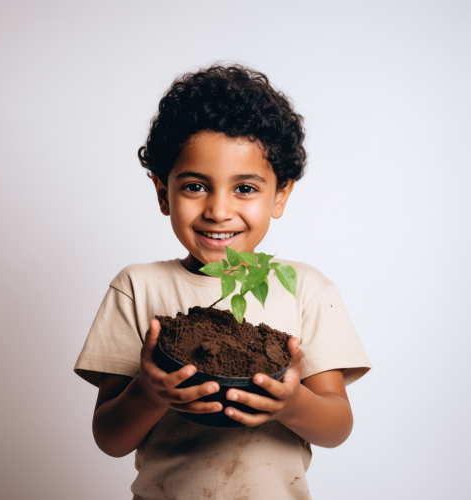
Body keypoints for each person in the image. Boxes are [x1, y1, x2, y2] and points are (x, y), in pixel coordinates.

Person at [74, 63, 371, 500]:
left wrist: (292, 403)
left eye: (245, 189)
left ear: (281, 194)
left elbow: (336, 426)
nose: (218, 210)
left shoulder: (307, 289)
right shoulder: (137, 287)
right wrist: (150, 392)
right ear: (163, 193)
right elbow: (109, 437)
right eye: (195, 186)